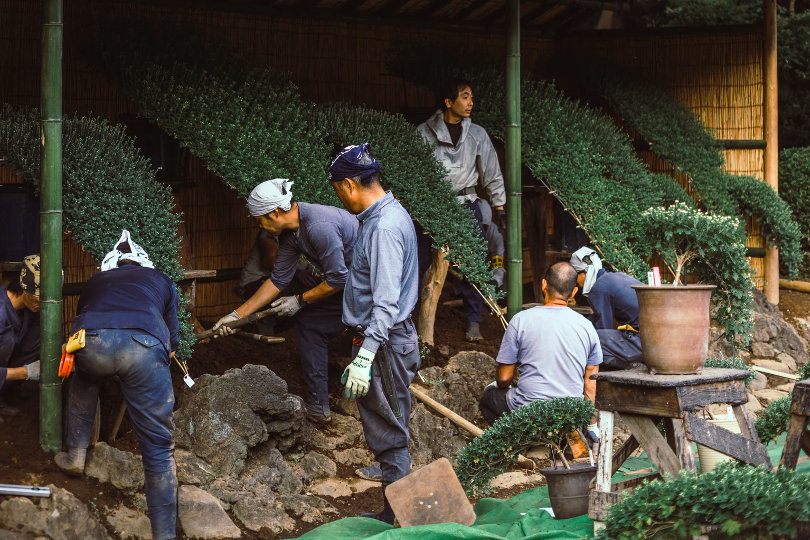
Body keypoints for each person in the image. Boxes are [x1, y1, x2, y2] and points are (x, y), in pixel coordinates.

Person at [54, 231, 179, 540]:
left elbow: (80, 323)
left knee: (83, 378)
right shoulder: (162, 280)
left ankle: (75, 455)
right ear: (144, 264)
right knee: (158, 451)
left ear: (110, 266)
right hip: (144, 347)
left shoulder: (95, 282)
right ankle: (164, 535)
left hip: (92, 345)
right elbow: (173, 343)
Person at [212, 178, 358, 424]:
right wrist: (236, 316)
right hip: (350, 285)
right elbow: (277, 280)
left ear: (275, 212)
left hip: (373, 288)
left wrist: (299, 300)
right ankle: (318, 407)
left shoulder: (319, 226)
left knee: (362, 332)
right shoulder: (291, 235)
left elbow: (336, 280)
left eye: (260, 220)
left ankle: (365, 401)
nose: (261, 226)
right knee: (310, 323)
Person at [329, 143, 420, 524]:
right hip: (385, 340)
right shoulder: (384, 216)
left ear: (349, 184)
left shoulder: (383, 227)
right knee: (389, 428)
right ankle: (393, 512)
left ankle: (399, 522)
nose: (338, 197)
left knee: (391, 434)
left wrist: (365, 356)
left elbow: (385, 303)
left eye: (337, 190)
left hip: (383, 343)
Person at [417, 78, 506, 341]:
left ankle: (474, 321)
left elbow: (491, 171)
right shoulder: (424, 132)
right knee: (421, 261)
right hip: (433, 206)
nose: (470, 102)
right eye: (465, 97)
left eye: (471, 97)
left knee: (472, 263)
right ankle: (411, 317)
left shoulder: (477, 134)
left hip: (467, 205)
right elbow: (414, 171)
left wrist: (499, 204)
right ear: (448, 102)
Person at [478, 262, 601, 441]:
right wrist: (590, 424)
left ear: (544, 285)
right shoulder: (587, 327)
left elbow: (504, 378)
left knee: (489, 397)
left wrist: (501, 387)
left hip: (529, 412)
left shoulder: (520, 320)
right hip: (568, 415)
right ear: (574, 292)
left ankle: (518, 441)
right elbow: (590, 385)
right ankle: (560, 439)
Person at [570, 247, 644, 370]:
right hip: (650, 340)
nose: (576, 282)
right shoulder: (613, 278)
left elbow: (603, 327)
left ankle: (629, 367)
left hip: (643, 343)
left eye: (575, 275)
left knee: (592, 338)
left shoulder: (600, 289)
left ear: (584, 273)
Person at [0, 254, 41, 419]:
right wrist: (26, 372)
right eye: (39, 297)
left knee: (38, 338)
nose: (41, 303)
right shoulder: (1, 312)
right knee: (8, 340)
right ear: (25, 289)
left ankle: (3, 396)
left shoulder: (30, 307)